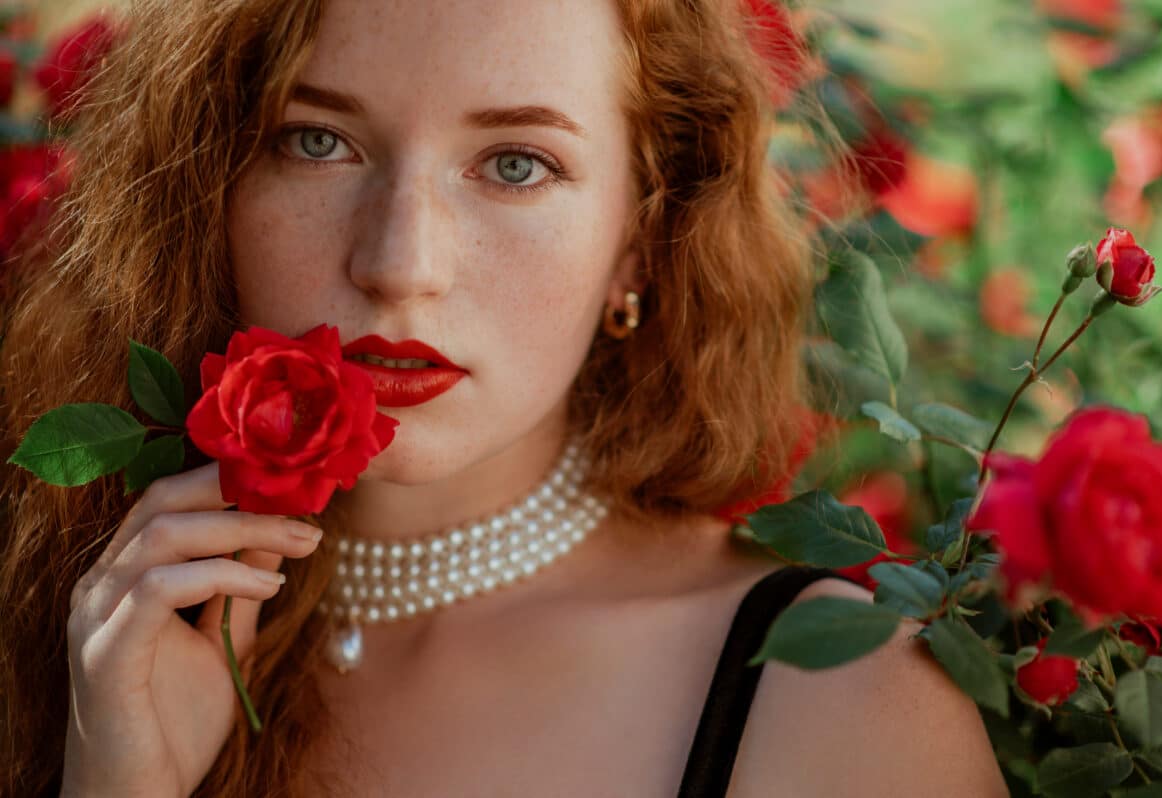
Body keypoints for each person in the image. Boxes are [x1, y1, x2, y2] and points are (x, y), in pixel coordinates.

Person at [0, 0, 1008, 795]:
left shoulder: (834, 694)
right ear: (209, 179)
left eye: (515, 164)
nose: (401, 263)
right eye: (316, 140)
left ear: (642, 237)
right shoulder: (65, 631)